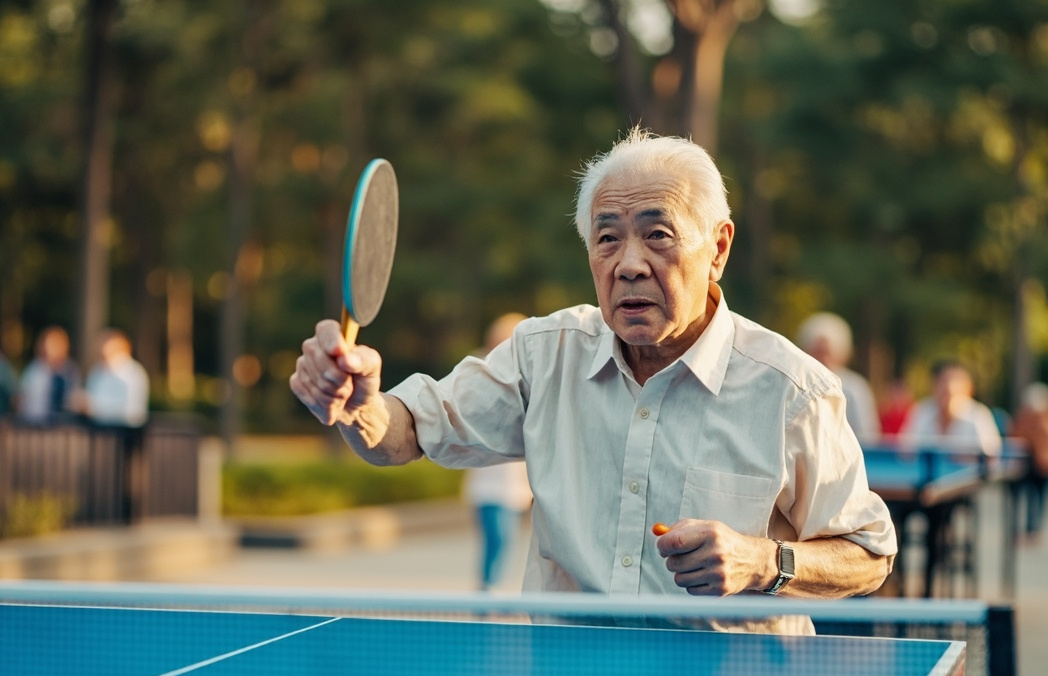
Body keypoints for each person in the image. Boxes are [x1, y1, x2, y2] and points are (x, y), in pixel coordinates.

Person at [290, 128, 896, 634]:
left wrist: (761, 561)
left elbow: (869, 555)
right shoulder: (542, 353)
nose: (628, 264)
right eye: (607, 238)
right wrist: (358, 404)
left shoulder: (793, 390)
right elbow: (404, 434)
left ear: (718, 248)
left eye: (657, 235)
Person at [462, 313, 534, 591]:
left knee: (506, 542)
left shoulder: (526, 377)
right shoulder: (480, 371)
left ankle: (491, 591)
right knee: (498, 540)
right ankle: (487, 593)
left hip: (514, 488)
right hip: (489, 488)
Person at [795, 312, 879, 445]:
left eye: (826, 352)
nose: (822, 359)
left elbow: (868, 435)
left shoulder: (855, 388)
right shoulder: (796, 383)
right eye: (817, 352)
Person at [898, 359, 1002, 457]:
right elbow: (904, 451)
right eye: (942, 381)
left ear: (969, 387)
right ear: (933, 385)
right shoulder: (921, 411)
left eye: (955, 381)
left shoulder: (979, 416)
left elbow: (991, 457)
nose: (948, 387)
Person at [1008, 382, 1048, 543]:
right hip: (1030, 463)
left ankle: (1034, 529)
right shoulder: (1024, 418)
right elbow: (1015, 438)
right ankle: (1024, 530)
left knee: (1039, 499)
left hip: (1046, 464)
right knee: (1027, 498)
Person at [83, 329, 149, 428]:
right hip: (98, 430)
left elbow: (132, 411)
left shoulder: (134, 373)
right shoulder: (97, 371)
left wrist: (94, 408)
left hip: (126, 432)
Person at [16, 326, 80, 424]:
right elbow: (22, 396)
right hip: (34, 421)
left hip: (61, 424)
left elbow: (73, 399)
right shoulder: (34, 368)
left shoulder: (69, 370)